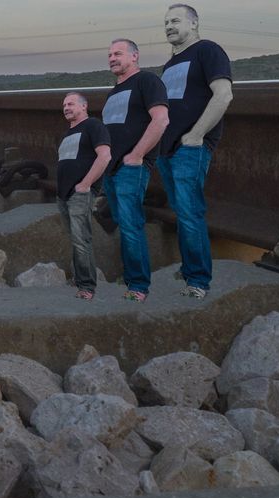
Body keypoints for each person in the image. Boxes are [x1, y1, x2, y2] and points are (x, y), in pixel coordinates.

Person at [158, 4, 233, 299]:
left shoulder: (208, 50)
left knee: (189, 211)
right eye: (165, 22)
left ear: (194, 22)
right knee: (181, 211)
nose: (169, 26)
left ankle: (199, 281)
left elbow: (224, 94)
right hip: (168, 149)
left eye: (175, 20)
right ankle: (191, 269)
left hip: (190, 147)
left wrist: (197, 134)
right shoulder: (170, 64)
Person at [102, 38, 169, 302]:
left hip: (131, 167)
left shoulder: (147, 82)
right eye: (109, 54)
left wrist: (138, 154)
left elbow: (161, 119)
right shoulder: (114, 92)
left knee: (130, 224)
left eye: (118, 53)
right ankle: (131, 279)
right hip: (111, 168)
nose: (112, 58)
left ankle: (138, 287)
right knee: (123, 222)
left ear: (135, 56)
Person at [56, 92, 111, 300]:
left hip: (80, 193)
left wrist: (86, 184)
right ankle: (80, 281)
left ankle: (87, 287)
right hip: (63, 196)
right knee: (74, 239)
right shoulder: (67, 135)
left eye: (71, 104)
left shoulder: (93, 126)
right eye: (64, 105)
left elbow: (105, 156)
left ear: (84, 106)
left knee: (81, 240)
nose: (66, 108)